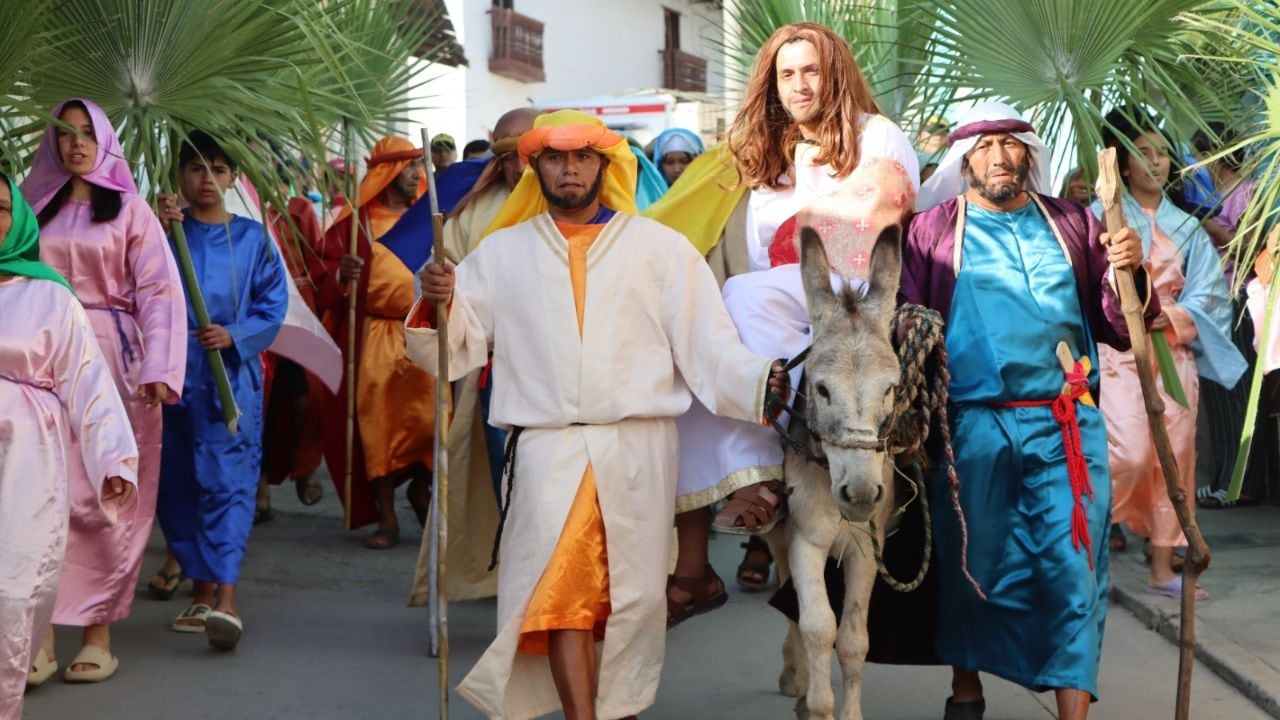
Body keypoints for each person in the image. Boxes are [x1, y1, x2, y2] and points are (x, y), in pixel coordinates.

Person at [408, 109, 789, 720]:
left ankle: (617, 709)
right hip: (546, 448)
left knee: (625, 600)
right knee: (558, 589)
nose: (570, 168)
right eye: (556, 158)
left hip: (638, 449)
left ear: (604, 166)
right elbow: (456, 344)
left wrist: (759, 380)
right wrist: (437, 302)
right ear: (535, 169)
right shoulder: (500, 254)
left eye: (583, 156)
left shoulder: (660, 250)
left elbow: (707, 345)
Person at [660, 21, 919, 613]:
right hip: (782, 300)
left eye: (811, 71)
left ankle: (761, 473)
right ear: (771, 84)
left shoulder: (875, 133)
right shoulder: (761, 157)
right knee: (695, 344)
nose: (800, 85)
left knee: (743, 301)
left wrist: (789, 241)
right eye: (787, 74)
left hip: (854, 295)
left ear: (836, 73)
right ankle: (695, 562)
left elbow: (871, 216)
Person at [903, 101, 1150, 720]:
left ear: (1030, 154)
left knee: (1076, 568)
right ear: (964, 159)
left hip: (1068, 425)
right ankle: (966, 692)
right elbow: (906, 323)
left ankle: (1073, 712)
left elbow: (1118, 325)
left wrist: (1131, 271)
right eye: (984, 146)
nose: (999, 157)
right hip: (972, 428)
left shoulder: (1075, 224)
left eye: (1011, 144)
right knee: (974, 566)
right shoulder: (931, 231)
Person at [23, 97, 186, 683]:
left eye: (88, 133)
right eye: (65, 133)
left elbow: (160, 291)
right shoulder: (28, 208)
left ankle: (97, 632)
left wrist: (160, 369)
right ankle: (37, 633)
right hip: (38, 361)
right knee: (39, 491)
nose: (76, 143)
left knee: (104, 488)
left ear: (106, 139)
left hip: (113, 362)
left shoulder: (132, 212)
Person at [1, 176, 138, 713]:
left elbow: (89, 385)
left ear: (19, 218)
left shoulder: (50, 296)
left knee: (13, 585)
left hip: (29, 460)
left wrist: (113, 460)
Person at [1095, 108, 1245, 598]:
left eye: (1160, 151)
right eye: (1142, 152)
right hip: (1120, 355)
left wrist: (1172, 318)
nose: (1155, 161)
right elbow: (1089, 286)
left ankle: (1163, 567)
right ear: (1121, 163)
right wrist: (1129, 312)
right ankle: (1094, 549)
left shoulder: (1188, 227)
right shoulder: (1103, 220)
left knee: (1176, 461)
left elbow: (1210, 297)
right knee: (1129, 454)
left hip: (1174, 356)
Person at [155, 131, 287, 650]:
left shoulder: (254, 239)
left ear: (234, 178)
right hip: (169, 376)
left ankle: (226, 598)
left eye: (217, 169)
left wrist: (235, 335)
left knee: (227, 482)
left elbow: (271, 307)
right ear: (179, 177)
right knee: (176, 482)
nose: (205, 179)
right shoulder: (165, 233)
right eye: (194, 168)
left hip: (229, 377)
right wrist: (156, 224)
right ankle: (200, 585)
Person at [318, 136, 435, 548]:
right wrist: (342, 277)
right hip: (377, 337)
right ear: (386, 173)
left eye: (418, 167)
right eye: (408, 169)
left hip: (426, 333)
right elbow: (323, 278)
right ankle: (387, 518)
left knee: (432, 423)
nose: (417, 175)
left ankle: (422, 489)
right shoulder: (356, 225)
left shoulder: (432, 218)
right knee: (379, 427)